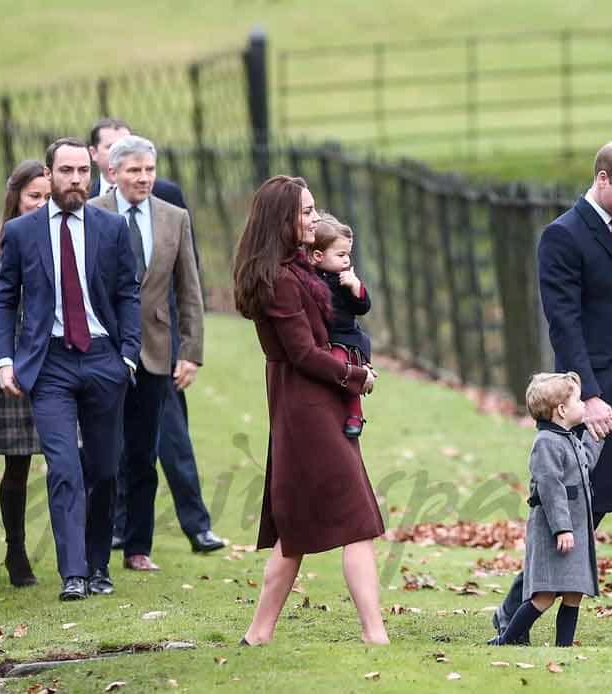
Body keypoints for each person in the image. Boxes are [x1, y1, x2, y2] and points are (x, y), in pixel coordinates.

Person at [491, 140, 612, 649]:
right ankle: (514, 610)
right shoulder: (562, 236)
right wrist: (589, 397)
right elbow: (564, 325)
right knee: (573, 515)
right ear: (601, 179)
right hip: (591, 408)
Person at [233, 175, 388, 646]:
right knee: (356, 520)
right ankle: (374, 634)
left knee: (296, 529)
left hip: (313, 403)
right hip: (306, 407)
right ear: (283, 219)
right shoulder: (279, 281)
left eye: (314, 209)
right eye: (305, 212)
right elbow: (303, 353)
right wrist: (357, 376)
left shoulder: (296, 269)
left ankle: (258, 634)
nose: (314, 218)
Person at [0, 137, 140, 601]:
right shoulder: (21, 233)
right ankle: (72, 572)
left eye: (82, 171)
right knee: (63, 467)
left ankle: (98, 567)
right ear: (50, 174)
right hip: (49, 362)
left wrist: (128, 356)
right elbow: (4, 300)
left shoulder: (112, 229)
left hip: (102, 358)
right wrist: (4, 360)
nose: (75, 179)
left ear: (92, 175)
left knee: (103, 470)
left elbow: (127, 294)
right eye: (66, 171)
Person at [89, 117, 224, 555]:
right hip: (104, 352)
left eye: (149, 170)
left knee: (164, 445)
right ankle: (111, 532)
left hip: (159, 352)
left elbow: (190, 287)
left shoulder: (173, 215)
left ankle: (178, 533)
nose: (144, 178)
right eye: (134, 170)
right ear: (112, 172)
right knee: (110, 451)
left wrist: (191, 352)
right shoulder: (92, 216)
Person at [0, 159, 49, 587]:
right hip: (13, 368)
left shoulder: (66, 239)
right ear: (15, 197)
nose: (40, 204)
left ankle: (76, 554)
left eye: (47, 197)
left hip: (60, 366)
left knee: (69, 463)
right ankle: (16, 552)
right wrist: (1, 363)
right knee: (16, 467)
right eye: (33, 196)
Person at [492, 372, 603, 647]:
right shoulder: (546, 443)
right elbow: (550, 488)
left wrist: (596, 436)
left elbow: (585, 463)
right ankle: (506, 638)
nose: (584, 405)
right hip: (554, 530)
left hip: (575, 528)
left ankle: (563, 649)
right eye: (578, 400)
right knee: (545, 596)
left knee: (574, 591)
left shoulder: (567, 437)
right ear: (562, 410)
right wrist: (562, 528)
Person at [309, 213, 372, 438]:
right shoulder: (309, 278)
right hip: (323, 337)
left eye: (348, 254)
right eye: (341, 254)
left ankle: (355, 413)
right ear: (317, 255)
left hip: (346, 339)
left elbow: (362, 307)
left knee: (341, 366)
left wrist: (356, 288)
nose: (347, 260)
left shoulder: (345, 279)